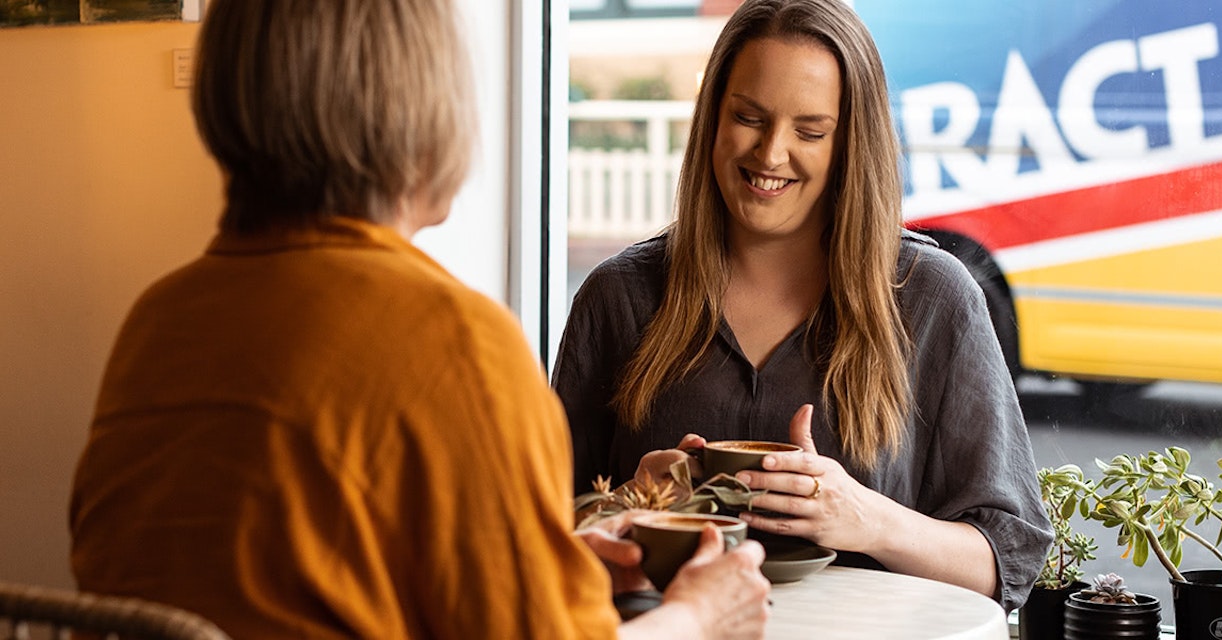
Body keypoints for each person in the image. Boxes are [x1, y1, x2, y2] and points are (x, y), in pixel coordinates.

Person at [67, 0, 769, 638]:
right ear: (424, 104)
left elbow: (291, 581)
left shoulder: (157, 323)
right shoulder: (455, 342)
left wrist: (546, 569)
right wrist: (697, 617)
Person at [553, 0, 1051, 611]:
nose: (769, 154)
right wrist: (633, 503)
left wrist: (866, 518)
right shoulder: (619, 297)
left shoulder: (933, 299)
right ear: (713, 117)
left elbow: (1009, 563)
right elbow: (539, 538)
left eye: (809, 131)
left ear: (851, 144)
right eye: (748, 118)